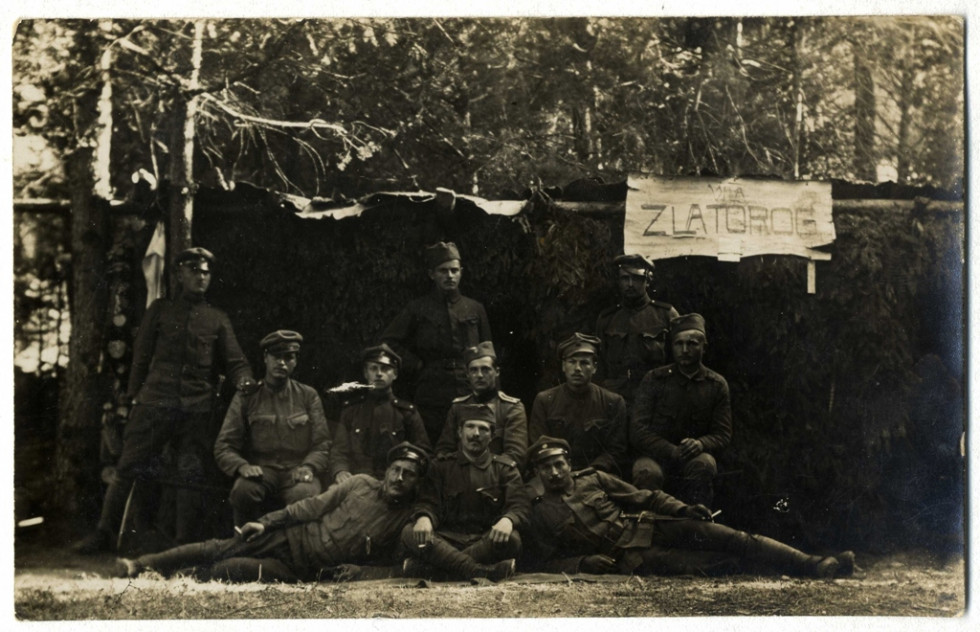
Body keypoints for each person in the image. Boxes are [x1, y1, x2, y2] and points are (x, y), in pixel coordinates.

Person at [75, 247, 256, 553]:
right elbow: (140, 358)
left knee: (189, 471)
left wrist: (245, 380)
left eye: (206, 272)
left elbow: (236, 361)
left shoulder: (216, 319)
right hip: (154, 404)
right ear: (179, 274)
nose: (201, 277)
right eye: (195, 271)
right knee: (128, 467)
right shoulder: (159, 311)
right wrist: (132, 399)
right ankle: (104, 533)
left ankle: (182, 543)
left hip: (195, 408)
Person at [523, 436, 855, 578]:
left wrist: (684, 509)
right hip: (630, 557)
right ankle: (806, 568)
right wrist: (583, 561)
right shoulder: (538, 510)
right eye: (545, 467)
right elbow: (545, 559)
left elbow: (648, 495)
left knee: (733, 537)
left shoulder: (593, 478)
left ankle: (813, 563)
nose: (554, 472)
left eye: (558, 463)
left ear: (568, 463)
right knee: (712, 565)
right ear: (537, 472)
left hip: (652, 524)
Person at [115, 443, 429, 583]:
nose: (399, 478)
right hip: (289, 537)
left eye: (409, 474)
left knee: (231, 569)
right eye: (396, 469)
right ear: (386, 470)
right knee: (218, 547)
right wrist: (264, 524)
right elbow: (310, 506)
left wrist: (361, 572)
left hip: (305, 572)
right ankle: (139, 566)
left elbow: (393, 566)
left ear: (416, 483)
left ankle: (176, 579)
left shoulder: (406, 519)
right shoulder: (359, 483)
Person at [212, 330, 331, 526]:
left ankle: (294, 551)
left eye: (288, 357)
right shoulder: (247, 397)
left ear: (295, 362)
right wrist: (242, 466)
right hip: (261, 470)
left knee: (305, 495)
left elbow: (322, 443)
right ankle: (243, 545)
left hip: (297, 470)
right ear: (265, 358)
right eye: (276, 356)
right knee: (243, 491)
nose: (282, 363)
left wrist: (309, 466)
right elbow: (224, 445)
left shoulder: (308, 396)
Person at [402, 405, 528, 582]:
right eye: (470, 427)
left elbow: (519, 505)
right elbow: (427, 502)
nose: (476, 433)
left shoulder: (504, 469)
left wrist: (508, 520)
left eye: (483, 429)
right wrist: (425, 517)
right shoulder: (441, 466)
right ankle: (481, 571)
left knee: (513, 539)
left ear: (492, 436)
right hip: (447, 539)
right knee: (409, 532)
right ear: (460, 432)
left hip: (485, 540)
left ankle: (436, 570)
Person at [381, 241, 492, 443]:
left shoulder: (475, 308)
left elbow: (487, 351)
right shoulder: (418, 308)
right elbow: (388, 343)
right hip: (431, 389)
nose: (449, 276)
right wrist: (416, 364)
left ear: (461, 272)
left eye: (454, 270)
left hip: (469, 386)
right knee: (431, 441)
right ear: (432, 274)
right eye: (443, 271)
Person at [631, 313, 731, 507]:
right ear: (672, 347)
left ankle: (697, 526)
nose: (685, 350)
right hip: (656, 456)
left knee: (705, 465)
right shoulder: (654, 380)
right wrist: (670, 450)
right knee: (646, 472)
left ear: (704, 347)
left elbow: (723, 433)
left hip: (694, 457)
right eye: (679, 344)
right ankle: (648, 528)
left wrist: (701, 444)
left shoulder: (716, 385)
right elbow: (638, 431)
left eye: (692, 344)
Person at [528, 333, 629, 477]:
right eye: (572, 362)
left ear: (594, 367)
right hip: (555, 474)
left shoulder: (612, 401)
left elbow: (616, 450)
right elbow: (539, 445)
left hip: (598, 474)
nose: (577, 368)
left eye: (584, 363)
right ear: (563, 366)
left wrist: (592, 470)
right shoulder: (545, 400)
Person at [330, 344, 431, 484]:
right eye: (373, 368)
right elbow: (339, 451)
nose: (379, 373)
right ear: (366, 373)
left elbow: (423, 452)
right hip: (356, 481)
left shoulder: (407, 413)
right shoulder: (351, 411)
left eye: (385, 369)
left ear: (395, 374)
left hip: (395, 482)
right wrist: (340, 471)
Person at [594, 254, 679, 404]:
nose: (630, 284)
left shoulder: (665, 315)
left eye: (637, 278)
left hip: (655, 398)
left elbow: (678, 361)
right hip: (615, 398)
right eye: (625, 278)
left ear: (647, 281)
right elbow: (599, 365)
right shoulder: (607, 319)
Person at [434, 341, 527, 464]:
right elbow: (444, 451)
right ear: (467, 374)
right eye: (474, 370)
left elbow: (515, 456)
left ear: (497, 372)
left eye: (485, 369)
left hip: (497, 479)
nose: (479, 375)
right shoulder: (457, 408)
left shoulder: (511, 408)